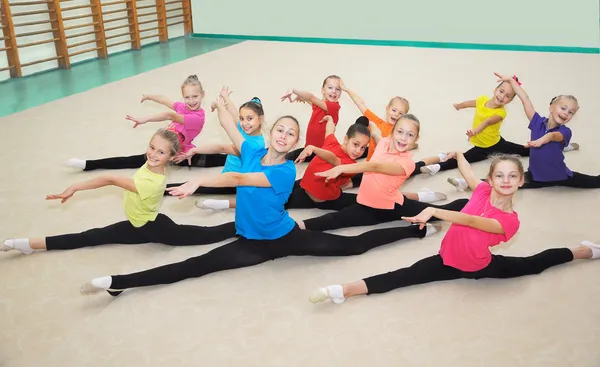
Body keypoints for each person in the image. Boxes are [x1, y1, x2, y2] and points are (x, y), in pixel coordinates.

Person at [72, 100, 443, 297]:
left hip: (285, 237)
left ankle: (415, 231)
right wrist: (222, 107)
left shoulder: (283, 172)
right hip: (250, 242)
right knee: (194, 266)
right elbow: (235, 132)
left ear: (294, 142)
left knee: (354, 248)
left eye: (290, 133)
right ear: (271, 133)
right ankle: (120, 282)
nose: (283, 134)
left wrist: (197, 183)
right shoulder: (253, 147)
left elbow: (235, 177)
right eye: (279, 129)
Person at [309, 152, 600, 304]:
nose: (507, 180)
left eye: (513, 176)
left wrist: (436, 211)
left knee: (534, 264)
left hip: (479, 267)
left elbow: (472, 221)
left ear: (521, 181)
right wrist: (459, 156)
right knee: (401, 276)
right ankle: (342, 290)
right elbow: (472, 178)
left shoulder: (510, 221)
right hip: (445, 260)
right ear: (492, 178)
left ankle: (583, 251)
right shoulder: (483, 191)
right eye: (500, 175)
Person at [2, 128, 235, 256]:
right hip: (139, 223)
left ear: (171, 158)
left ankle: (244, 225)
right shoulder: (153, 164)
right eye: (151, 147)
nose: (153, 154)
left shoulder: (152, 182)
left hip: (153, 228)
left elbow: (110, 179)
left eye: (161, 153)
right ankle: (30, 244)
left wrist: (74, 187)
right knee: (91, 236)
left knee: (206, 235)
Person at [296, 114, 466, 232]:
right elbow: (376, 133)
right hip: (369, 196)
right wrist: (367, 119)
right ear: (392, 132)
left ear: (416, 139)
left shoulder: (405, 163)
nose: (403, 138)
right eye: (400, 132)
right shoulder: (384, 142)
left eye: (410, 135)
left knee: (338, 219)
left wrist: (341, 168)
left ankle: (468, 205)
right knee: (338, 215)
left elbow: (375, 167)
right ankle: (423, 195)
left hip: (384, 206)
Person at [417, 74, 578, 177]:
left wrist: (474, 131)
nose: (502, 97)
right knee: (527, 149)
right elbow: (470, 103)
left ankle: (437, 167)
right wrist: (459, 105)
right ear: (495, 89)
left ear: (510, 101)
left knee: (526, 150)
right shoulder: (482, 100)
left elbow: (487, 122)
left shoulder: (501, 113)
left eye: (507, 96)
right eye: (501, 91)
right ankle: (438, 166)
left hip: (492, 144)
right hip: (487, 141)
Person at [66, 75, 208, 171]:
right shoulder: (183, 107)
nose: (191, 101)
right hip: (163, 145)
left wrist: (144, 119)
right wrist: (149, 96)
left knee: (215, 158)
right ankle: (88, 164)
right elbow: (165, 99)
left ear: (203, 95)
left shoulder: (198, 118)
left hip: (178, 152)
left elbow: (169, 115)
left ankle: (230, 152)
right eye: (187, 97)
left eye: (195, 96)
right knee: (130, 161)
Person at [281, 75, 342, 162]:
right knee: (286, 156)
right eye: (330, 87)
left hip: (321, 151)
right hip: (310, 148)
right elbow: (312, 101)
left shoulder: (334, 107)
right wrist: (302, 98)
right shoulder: (321, 105)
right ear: (323, 90)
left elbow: (311, 97)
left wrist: (294, 90)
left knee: (288, 157)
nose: (334, 91)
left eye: (338, 89)